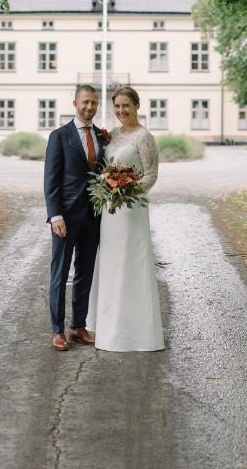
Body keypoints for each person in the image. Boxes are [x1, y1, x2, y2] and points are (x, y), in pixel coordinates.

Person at [87, 85, 164, 351]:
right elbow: (104, 168)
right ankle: (110, 328)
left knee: (132, 263)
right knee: (112, 264)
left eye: (126, 106)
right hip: (110, 212)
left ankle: (137, 332)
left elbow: (151, 175)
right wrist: (108, 187)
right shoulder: (113, 135)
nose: (121, 111)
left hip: (131, 209)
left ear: (136, 106)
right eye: (117, 106)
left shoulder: (144, 137)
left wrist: (127, 190)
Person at [44, 84, 105, 352]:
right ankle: (58, 330)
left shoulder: (102, 136)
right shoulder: (59, 136)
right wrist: (55, 215)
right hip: (65, 218)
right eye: (85, 102)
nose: (89, 107)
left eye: (94, 102)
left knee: (85, 271)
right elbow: (51, 180)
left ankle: (78, 326)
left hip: (93, 216)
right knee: (60, 272)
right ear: (75, 104)